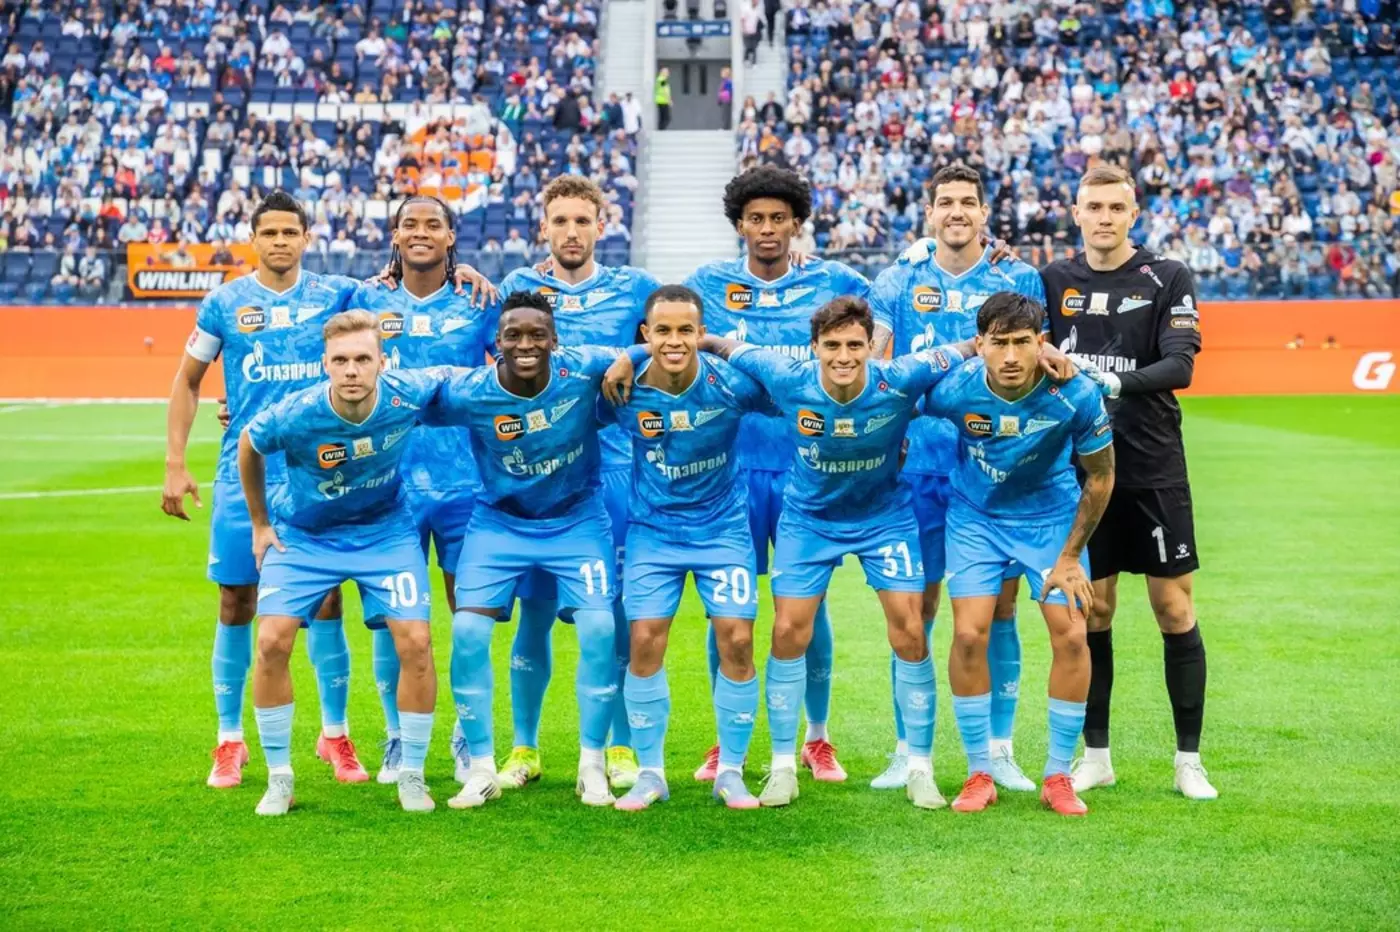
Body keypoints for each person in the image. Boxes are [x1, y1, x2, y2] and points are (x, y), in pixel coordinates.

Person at [693, 297, 969, 809]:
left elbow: (970, 347)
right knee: (786, 632)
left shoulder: (900, 377)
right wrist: (660, 347)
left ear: (871, 347)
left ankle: (920, 767)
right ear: (814, 347)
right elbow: (726, 346)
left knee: (911, 631)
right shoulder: (789, 376)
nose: (844, 356)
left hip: (883, 519)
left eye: (855, 345)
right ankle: (782, 767)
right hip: (809, 520)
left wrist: (1044, 354)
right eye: (833, 345)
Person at [162, 190, 365, 790]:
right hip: (242, 471)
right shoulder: (225, 302)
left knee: (326, 601)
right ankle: (230, 740)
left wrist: (464, 271)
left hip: (317, 474)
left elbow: (399, 295)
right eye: (269, 232)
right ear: (253, 239)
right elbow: (187, 381)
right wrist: (175, 463)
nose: (280, 241)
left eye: (290, 232)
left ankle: (335, 734)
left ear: (307, 238)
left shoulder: (338, 295)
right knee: (236, 603)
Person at [683, 166, 871, 784]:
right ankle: (726, 737)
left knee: (806, 608)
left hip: (804, 470)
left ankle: (817, 738)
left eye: (779, 219)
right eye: (756, 219)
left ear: (797, 224)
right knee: (726, 612)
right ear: (739, 224)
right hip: (728, 470)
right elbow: (663, 334)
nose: (767, 229)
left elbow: (888, 315)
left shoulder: (833, 281)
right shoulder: (707, 284)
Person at [1041, 165, 1217, 801]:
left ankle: (1188, 761)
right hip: (1083, 472)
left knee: (1174, 609)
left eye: (1116, 207)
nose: (1105, 218)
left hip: (1152, 468)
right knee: (1095, 609)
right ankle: (1096, 756)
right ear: (1077, 213)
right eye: (1094, 207)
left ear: (1132, 214)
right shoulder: (1054, 280)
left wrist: (1110, 380)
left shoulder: (1167, 276)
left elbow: (1180, 365)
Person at [869, 164, 1046, 792]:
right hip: (916, 466)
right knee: (914, 609)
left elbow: (1038, 366)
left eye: (968, 202)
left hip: (994, 471)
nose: (957, 212)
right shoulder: (897, 281)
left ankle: (999, 750)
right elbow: (879, 367)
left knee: (999, 607)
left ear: (984, 212)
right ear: (929, 213)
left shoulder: (1018, 278)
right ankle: (908, 749)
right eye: (945, 202)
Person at [237, 310, 447, 815]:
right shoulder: (298, 412)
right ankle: (280, 778)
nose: (351, 370)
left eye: (362, 359)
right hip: (306, 536)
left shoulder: (408, 393)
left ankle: (412, 775)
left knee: (416, 643)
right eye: (340, 361)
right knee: (270, 642)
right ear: (325, 364)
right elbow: (249, 444)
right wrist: (260, 524)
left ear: (382, 362)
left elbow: (463, 382)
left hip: (385, 533)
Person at [491, 176, 660, 794]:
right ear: (543, 227)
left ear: (601, 226)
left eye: (582, 221)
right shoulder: (517, 287)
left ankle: (619, 746)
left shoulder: (633, 288)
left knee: (610, 618)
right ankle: (525, 747)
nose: (570, 232)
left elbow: (673, 338)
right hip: (539, 475)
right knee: (533, 614)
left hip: (613, 470)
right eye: (559, 221)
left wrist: (632, 356)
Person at [426, 291, 625, 810]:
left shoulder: (583, 368)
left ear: (555, 340)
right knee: (468, 632)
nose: (525, 344)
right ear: (496, 343)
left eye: (538, 334)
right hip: (500, 524)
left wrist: (634, 357)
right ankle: (480, 768)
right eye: (513, 335)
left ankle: (592, 764)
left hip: (577, 520)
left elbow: (643, 354)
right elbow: (407, 397)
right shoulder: (472, 391)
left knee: (600, 629)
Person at [925, 293, 1115, 817]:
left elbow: (1101, 476)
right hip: (976, 518)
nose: (1011, 356)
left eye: (1023, 343)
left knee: (1072, 634)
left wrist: (1071, 557)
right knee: (969, 634)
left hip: (1050, 520)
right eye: (999, 343)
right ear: (980, 344)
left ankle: (1058, 776)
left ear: (1041, 343)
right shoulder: (955, 387)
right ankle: (978, 772)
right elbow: (894, 396)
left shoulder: (1075, 393)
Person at [598, 285, 773, 811]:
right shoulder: (621, 389)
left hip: (723, 530)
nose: (674, 341)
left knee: (737, 639)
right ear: (646, 334)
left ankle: (731, 772)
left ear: (701, 333)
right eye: (663, 331)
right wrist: (626, 358)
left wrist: (722, 347)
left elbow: (786, 385)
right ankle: (651, 774)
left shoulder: (730, 384)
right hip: (653, 532)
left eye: (686, 331)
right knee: (644, 641)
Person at [348, 195, 493, 785]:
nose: (421, 232)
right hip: (389, 483)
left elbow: (522, 361)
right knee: (392, 618)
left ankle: (467, 736)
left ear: (451, 235)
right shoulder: (365, 300)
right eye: (410, 223)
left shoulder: (480, 299)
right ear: (394, 233)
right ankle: (395, 738)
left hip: (466, 482)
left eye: (434, 224)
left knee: (468, 618)